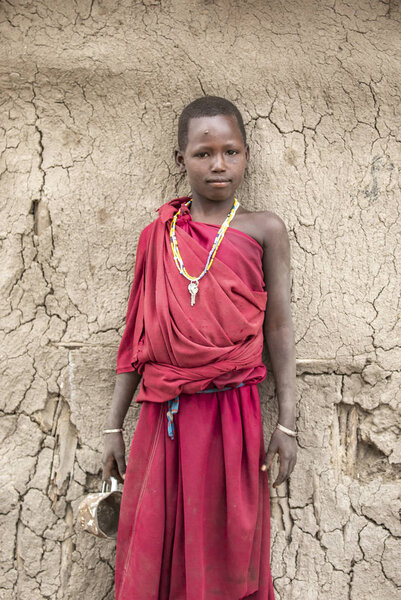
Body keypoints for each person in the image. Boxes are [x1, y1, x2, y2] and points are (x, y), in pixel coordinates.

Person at [102, 95, 297, 600]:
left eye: (231, 152)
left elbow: (278, 328)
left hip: (233, 414)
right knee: (156, 543)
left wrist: (288, 422)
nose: (218, 164)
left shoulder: (264, 229)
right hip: (163, 415)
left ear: (247, 156)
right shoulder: (157, 237)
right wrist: (111, 427)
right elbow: (137, 336)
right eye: (203, 152)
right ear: (181, 160)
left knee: (228, 543)